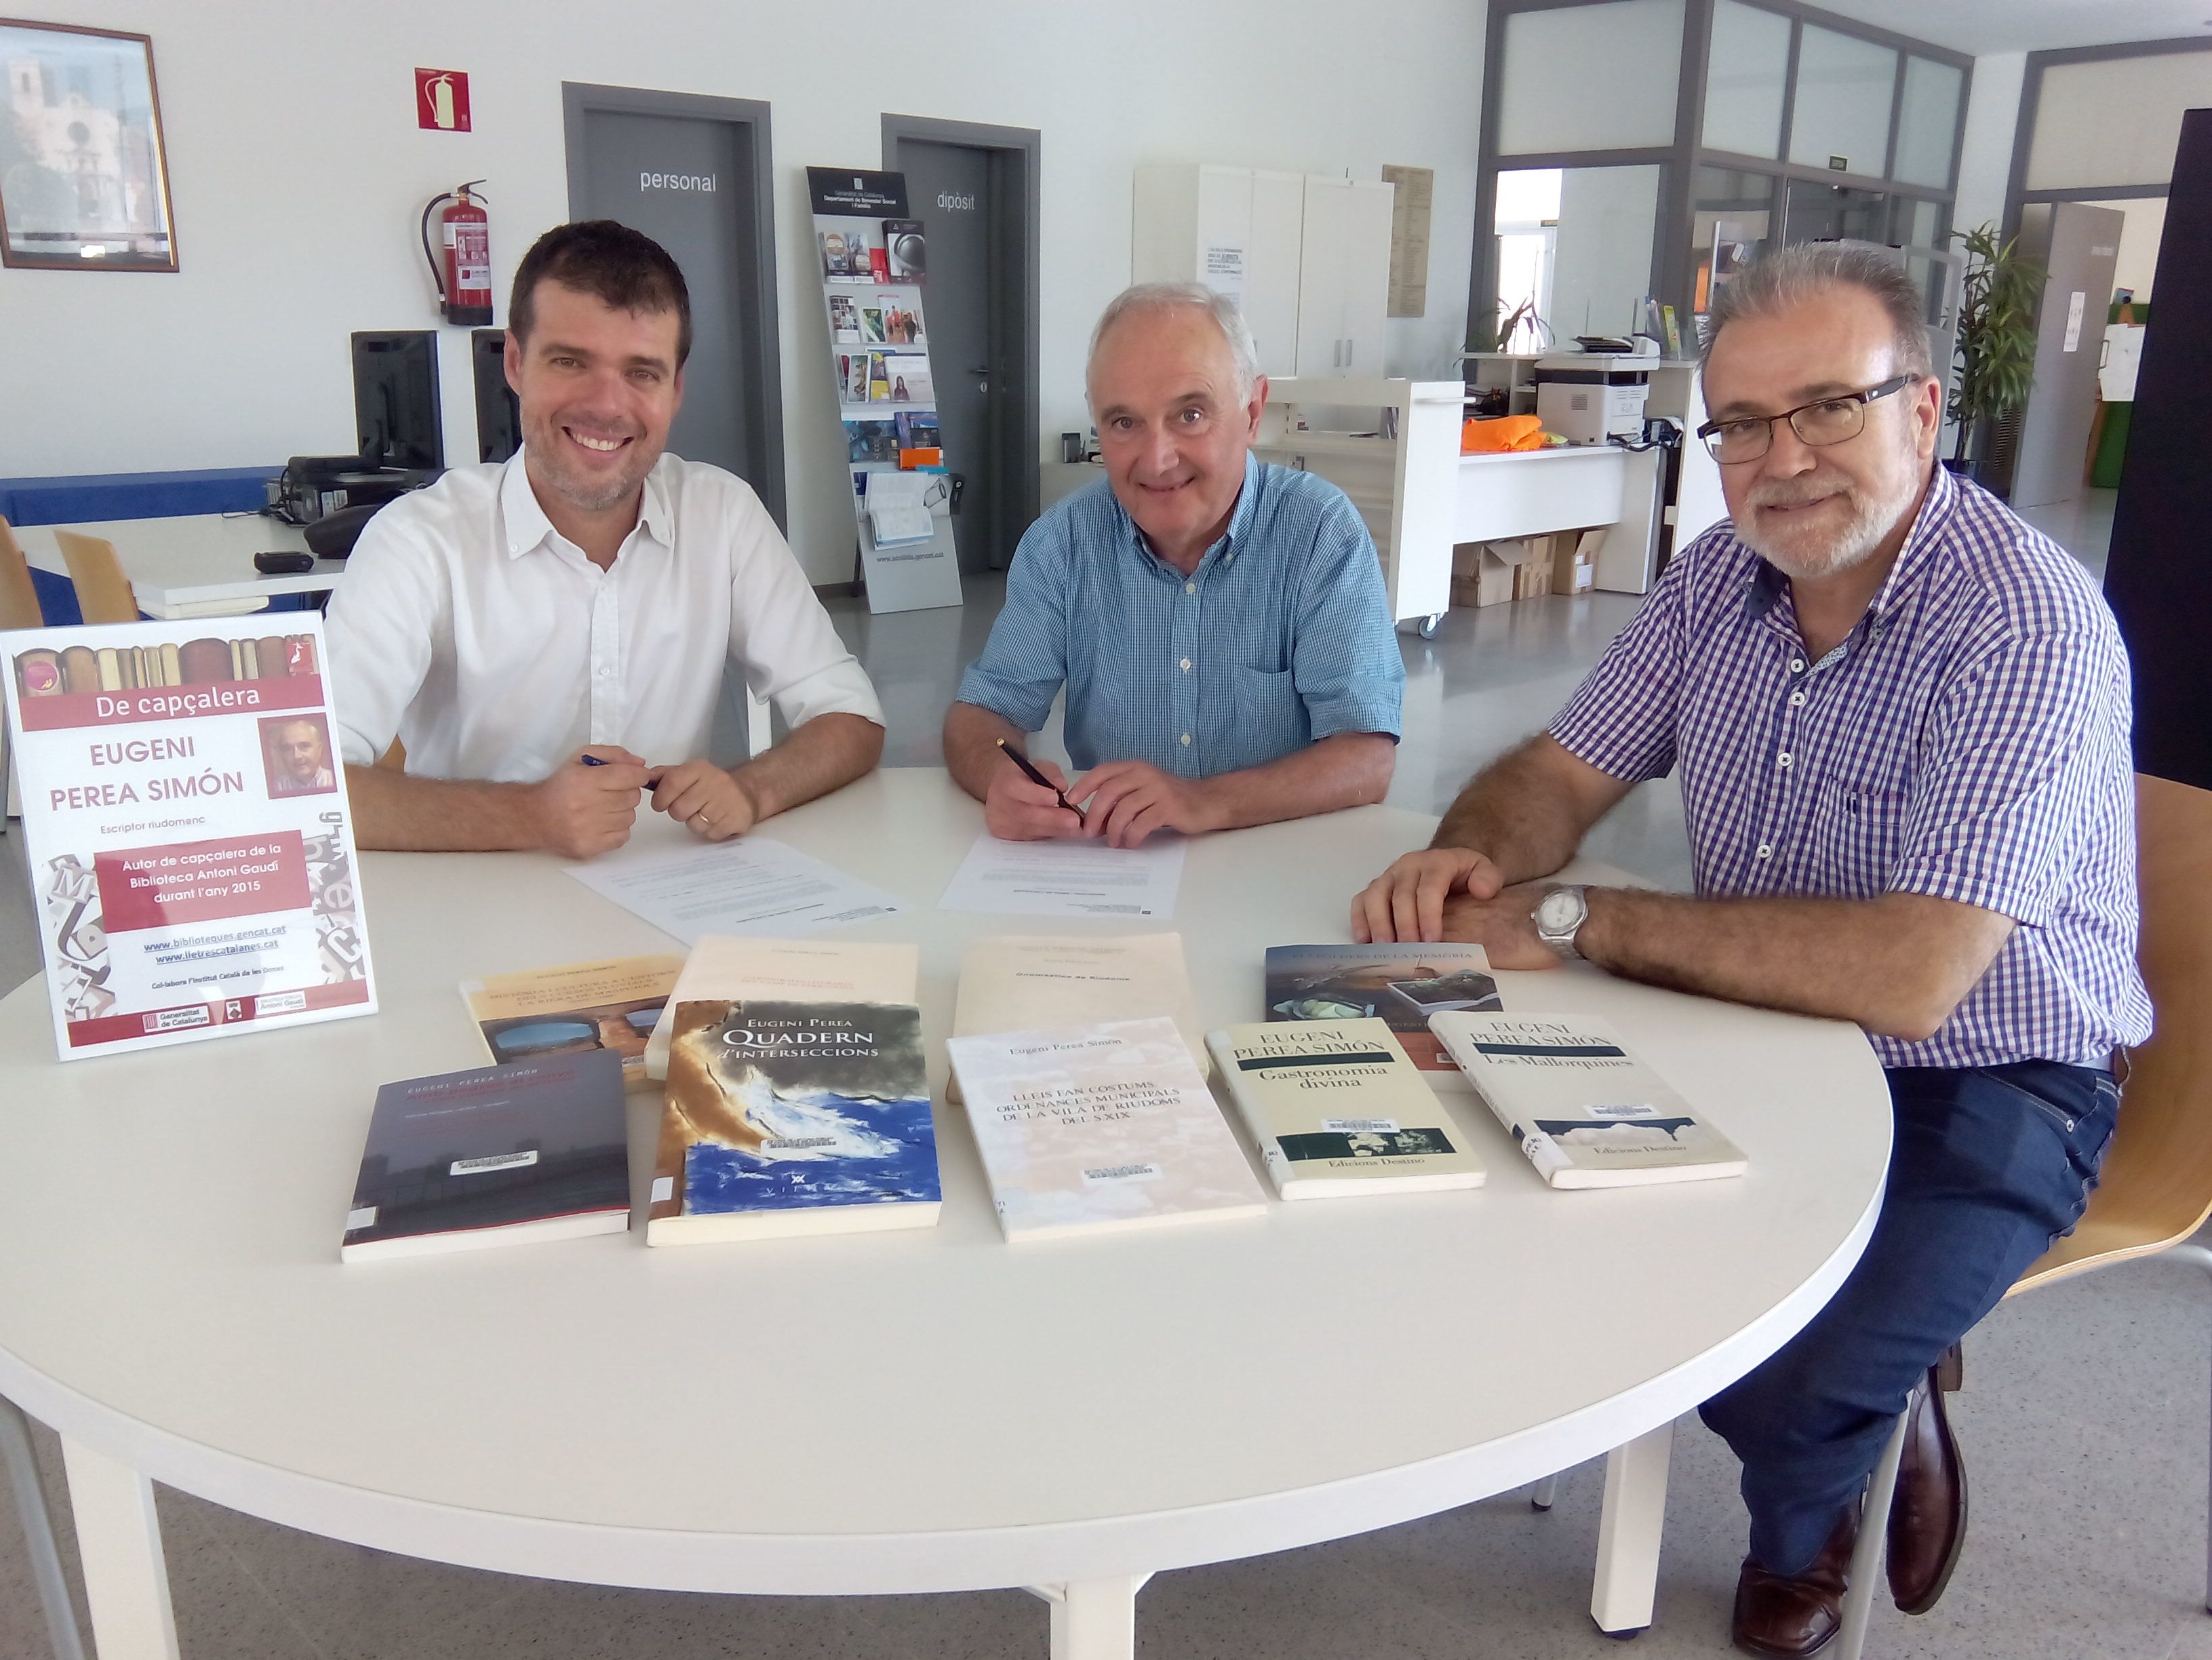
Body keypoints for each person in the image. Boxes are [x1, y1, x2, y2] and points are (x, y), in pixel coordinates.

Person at [1350, 243, 2149, 1658]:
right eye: (1740, 425)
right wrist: (1473, 850)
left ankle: (1820, 1502)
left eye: (1828, 407)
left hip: (1996, 1073)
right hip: (1757, 1026)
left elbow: (1916, 974)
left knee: (1789, 1365)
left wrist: (1572, 919)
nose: (1782, 460)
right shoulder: (1719, 579)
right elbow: (1563, 768)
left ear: (1925, 408)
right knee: (1521, 1213)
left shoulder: (2027, 627)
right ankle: (1883, 1370)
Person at [326, 222, 882, 856]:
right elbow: (306, 791)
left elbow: (851, 718)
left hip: (670, 892)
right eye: (570, 362)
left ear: (675, 390)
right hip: (476, 902)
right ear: (515, 362)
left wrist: (752, 790)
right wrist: (530, 816)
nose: (607, 406)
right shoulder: (419, 541)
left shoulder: (720, 513)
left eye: (642, 373)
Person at [944, 282, 1404, 848]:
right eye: (1123, 423)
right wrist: (1000, 779)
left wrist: (1202, 800)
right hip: (1118, 873)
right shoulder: (1063, 544)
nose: (1157, 460)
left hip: (1275, 860)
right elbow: (981, 716)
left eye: (1189, 414)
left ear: (1253, 412)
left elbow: (1367, 756)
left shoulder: (1318, 535)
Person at [267, 717, 335, 795]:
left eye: (304, 746)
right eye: (288, 749)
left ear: (319, 749)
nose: (297, 756)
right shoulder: (275, 788)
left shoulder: (336, 781)